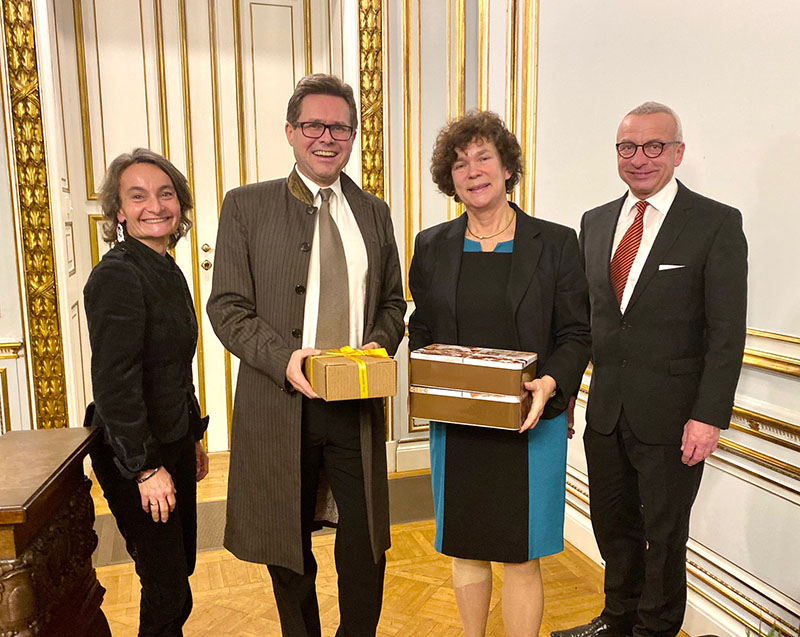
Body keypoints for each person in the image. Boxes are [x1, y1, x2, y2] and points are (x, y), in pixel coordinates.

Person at [207, 73, 405, 636]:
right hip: (279, 401)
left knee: (366, 542)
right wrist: (285, 358)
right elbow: (227, 307)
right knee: (286, 542)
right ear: (291, 132)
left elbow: (393, 303)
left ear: (352, 136)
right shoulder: (246, 207)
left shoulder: (374, 211)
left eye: (339, 126)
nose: (327, 136)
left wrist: (378, 344)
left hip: (357, 404)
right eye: (314, 124)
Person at [551, 102, 747, 637]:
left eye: (654, 146)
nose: (639, 159)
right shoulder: (594, 223)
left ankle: (654, 630)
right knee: (612, 527)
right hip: (606, 414)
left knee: (663, 536)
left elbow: (726, 334)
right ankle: (617, 621)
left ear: (678, 152)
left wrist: (709, 417)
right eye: (627, 147)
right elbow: (590, 322)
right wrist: (568, 392)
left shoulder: (715, 224)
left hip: (674, 418)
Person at [408, 110, 591, 637]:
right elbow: (422, 325)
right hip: (460, 418)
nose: (473, 171)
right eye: (460, 163)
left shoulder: (555, 243)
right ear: (450, 178)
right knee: (464, 543)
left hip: (530, 418)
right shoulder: (432, 244)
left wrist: (552, 383)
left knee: (521, 552)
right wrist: (430, 373)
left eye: (484, 157)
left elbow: (577, 333)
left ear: (507, 166)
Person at [83, 148, 210, 636]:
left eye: (165, 194)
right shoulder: (117, 275)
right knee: (166, 584)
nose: (155, 206)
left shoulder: (165, 266)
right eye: (137, 196)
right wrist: (146, 469)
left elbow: (174, 368)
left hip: (170, 441)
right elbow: (116, 385)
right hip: (132, 453)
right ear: (118, 210)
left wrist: (191, 436)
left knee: (178, 575)